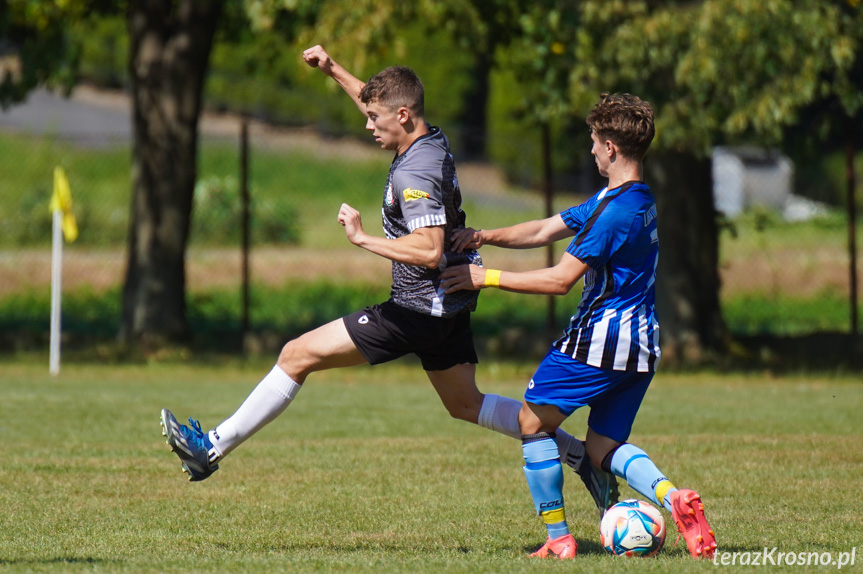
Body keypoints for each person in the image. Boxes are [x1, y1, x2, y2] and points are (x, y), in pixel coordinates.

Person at [159, 45, 613, 514]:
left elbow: (430, 248)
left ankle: (208, 449)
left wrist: (362, 239)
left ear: (403, 115)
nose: (368, 125)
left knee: (296, 354)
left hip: (418, 309)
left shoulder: (414, 169)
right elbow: (379, 102)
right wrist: (334, 69)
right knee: (464, 403)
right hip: (447, 304)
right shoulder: (427, 138)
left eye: (376, 119)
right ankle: (579, 456)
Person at [440, 92, 717, 560]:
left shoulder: (614, 214)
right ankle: (673, 498)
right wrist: (485, 236)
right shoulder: (632, 197)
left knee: (532, 423)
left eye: (593, 141)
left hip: (599, 343)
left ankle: (559, 539)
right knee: (602, 447)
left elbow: (559, 280)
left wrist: (484, 277)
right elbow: (547, 228)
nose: (590, 150)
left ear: (611, 147)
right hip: (643, 345)